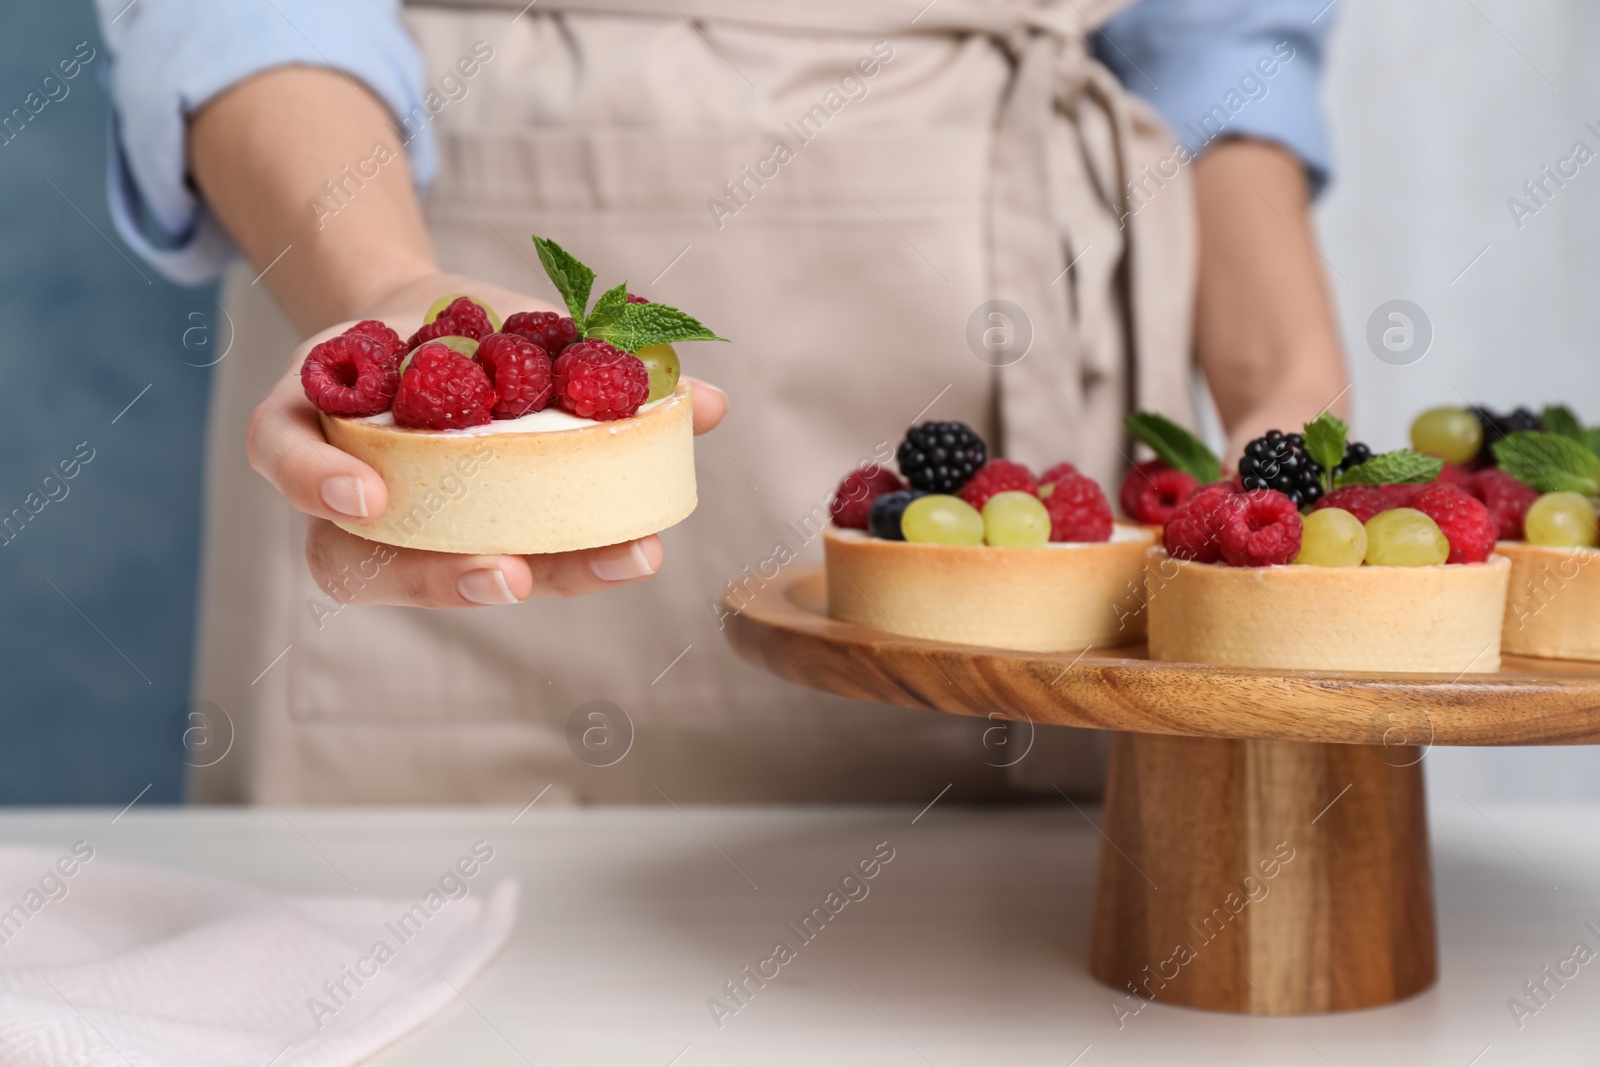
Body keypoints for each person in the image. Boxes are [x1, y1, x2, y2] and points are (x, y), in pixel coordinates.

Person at [98, 0, 1347, 803]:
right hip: (425, 225)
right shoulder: (422, 325)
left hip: (1004, 302)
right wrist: (386, 286)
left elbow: (1217, 41)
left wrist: (1281, 400)